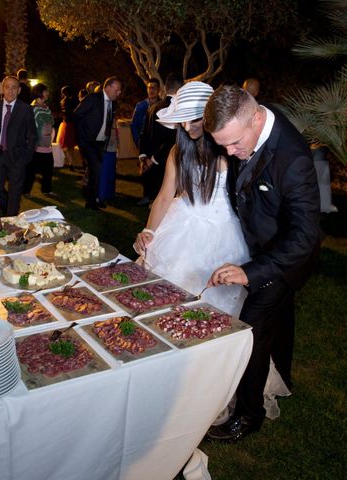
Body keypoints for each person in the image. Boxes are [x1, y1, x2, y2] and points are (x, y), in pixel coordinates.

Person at [203, 85, 321, 442]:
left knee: (249, 331)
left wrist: (250, 272)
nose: (230, 153)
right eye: (222, 145)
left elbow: (304, 237)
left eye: (234, 143)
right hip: (264, 246)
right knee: (280, 320)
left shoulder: (294, 159)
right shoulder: (248, 119)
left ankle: (248, 415)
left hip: (285, 259)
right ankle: (283, 375)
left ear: (256, 119)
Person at [134, 81, 250, 317]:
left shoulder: (230, 149)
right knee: (164, 301)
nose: (187, 127)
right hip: (182, 226)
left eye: (194, 119)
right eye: (182, 121)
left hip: (224, 233)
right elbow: (165, 196)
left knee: (212, 310)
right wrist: (150, 232)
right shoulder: (178, 151)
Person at [0, 75, 36, 216]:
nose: (10, 91)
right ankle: (9, 206)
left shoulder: (25, 109)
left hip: (17, 157)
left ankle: (12, 219)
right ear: (3, 89)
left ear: (19, 90)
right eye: (7, 87)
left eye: (14, 87)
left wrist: (26, 157)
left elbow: (32, 136)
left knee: (15, 191)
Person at [74, 76, 122, 210]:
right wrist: (81, 138)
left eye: (119, 91)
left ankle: (94, 198)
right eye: (117, 90)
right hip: (88, 142)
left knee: (96, 171)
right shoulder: (93, 99)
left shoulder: (113, 104)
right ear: (107, 87)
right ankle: (91, 202)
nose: (118, 93)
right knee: (96, 168)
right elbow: (77, 115)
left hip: (100, 143)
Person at [137, 73, 183, 206]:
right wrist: (153, 159)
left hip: (151, 161)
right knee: (164, 202)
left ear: (165, 88)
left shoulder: (153, 107)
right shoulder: (175, 110)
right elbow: (172, 141)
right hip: (165, 162)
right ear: (180, 90)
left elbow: (143, 134)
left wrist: (143, 156)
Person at [23, 83, 55, 197]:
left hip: (47, 145)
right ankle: (26, 191)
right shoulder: (33, 109)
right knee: (31, 171)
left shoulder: (46, 108)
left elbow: (51, 124)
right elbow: (30, 127)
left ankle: (47, 189)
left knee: (48, 169)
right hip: (36, 146)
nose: (48, 93)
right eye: (46, 91)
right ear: (40, 92)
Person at [130, 78, 160, 148]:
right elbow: (134, 125)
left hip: (159, 147)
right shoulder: (140, 106)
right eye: (149, 88)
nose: (151, 90)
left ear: (159, 89)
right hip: (144, 145)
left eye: (154, 88)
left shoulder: (163, 106)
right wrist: (138, 142)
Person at [56, 85, 78, 170]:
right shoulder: (73, 100)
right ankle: (72, 163)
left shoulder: (63, 101)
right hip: (72, 123)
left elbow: (63, 113)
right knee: (71, 145)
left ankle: (70, 162)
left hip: (67, 123)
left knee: (69, 145)